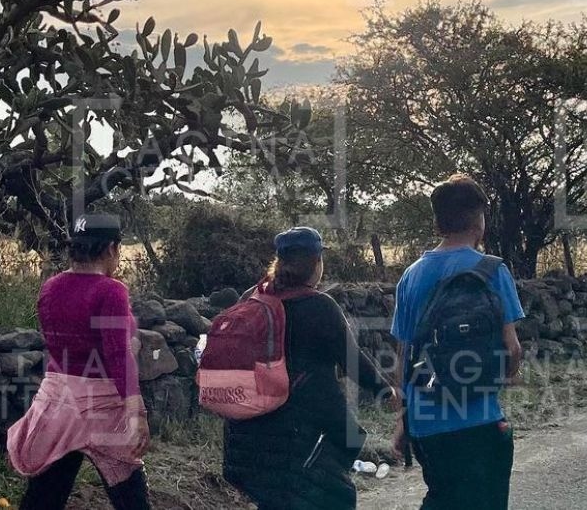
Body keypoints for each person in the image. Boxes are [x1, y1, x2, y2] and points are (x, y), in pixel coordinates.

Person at [223, 226, 398, 510]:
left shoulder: (249, 300)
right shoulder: (319, 306)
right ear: (316, 263)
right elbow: (352, 360)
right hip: (305, 436)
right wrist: (385, 390)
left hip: (250, 437)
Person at [391, 174, 525, 510]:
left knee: (443, 497)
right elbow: (513, 349)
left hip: (427, 426)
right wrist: (499, 377)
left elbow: (403, 357)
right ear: (480, 221)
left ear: (437, 223)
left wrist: (404, 421)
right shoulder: (493, 270)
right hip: (480, 419)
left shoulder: (411, 276)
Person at [8, 214, 151, 510]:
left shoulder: (51, 287)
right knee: (130, 496)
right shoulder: (111, 290)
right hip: (101, 408)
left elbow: (60, 344)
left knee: (45, 496)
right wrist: (136, 411)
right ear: (111, 248)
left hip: (58, 404)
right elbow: (117, 355)